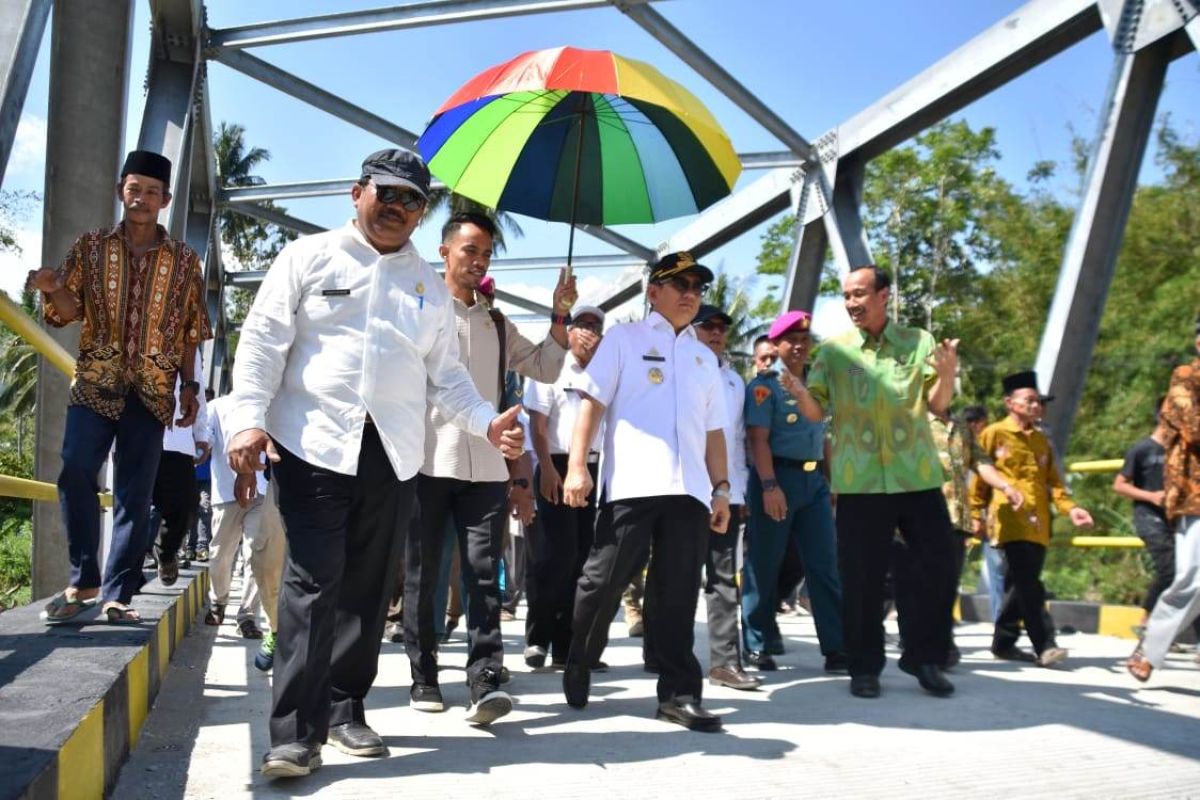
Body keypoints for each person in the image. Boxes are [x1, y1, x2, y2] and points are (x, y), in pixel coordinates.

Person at [225, 150, 525, 779]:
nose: (396, 207)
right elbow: (261, 341)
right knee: (312, 581)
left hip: (392, 453)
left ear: (421, 213)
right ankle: (293, 736)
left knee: (367, 587)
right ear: (356, 192)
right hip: (311, 446)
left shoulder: (427, 286)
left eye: (411, 200)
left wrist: (487, 422)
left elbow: (447, 379)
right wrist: (247, 419)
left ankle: (344, 708)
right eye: (385, 193)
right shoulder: (307, 258)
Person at [402, 212, 571, 725]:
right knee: (424, 574)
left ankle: (485, 676)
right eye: (469, 250)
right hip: (428, 462)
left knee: (482, 575)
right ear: (444, 250)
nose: (477, 261)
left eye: (486, 254)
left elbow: (544, 365)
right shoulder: (420, 309)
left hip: (487, 470)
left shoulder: (496, 321)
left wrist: (560, 318)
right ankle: (424, 672)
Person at [32, 150, 211, 626]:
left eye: (152, 192)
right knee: (75, 470)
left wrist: (189, 386)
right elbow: (67, 313)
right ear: (120, 191)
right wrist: (52, 288)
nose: (142, 199)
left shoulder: (185, 261)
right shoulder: (90, 247)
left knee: (135, 494)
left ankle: (117, 594)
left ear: (166, 200)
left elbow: (191, 332)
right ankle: (84, 578)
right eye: (135, 189)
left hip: (153, 389)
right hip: (96, 379)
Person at [561, 252, 731, 732]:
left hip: (691, 492)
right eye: (680, 285)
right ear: (653, 292)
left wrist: (721, 489)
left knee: (677, 594)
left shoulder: (703, 356)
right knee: (601, 582)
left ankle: (679, 694)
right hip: (633, 485)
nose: (690, 293)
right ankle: (579, 653)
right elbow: (591, 404)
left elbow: (715, 431)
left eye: (697, 286)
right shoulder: (624, 339)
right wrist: (578, 468)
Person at [781, 265, 959, 699]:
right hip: (859, 481)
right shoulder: (834, 353)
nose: (851, 303)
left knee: (935, 566)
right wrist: (800, 389)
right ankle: (864, 666)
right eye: (845, 296)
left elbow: (937, 406)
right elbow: (815, 413)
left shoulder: (918, 342)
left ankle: (926, 657)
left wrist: (949, 372)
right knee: (860, 575)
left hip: (916, 475)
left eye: (859, 293)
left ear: (883, 295)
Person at [742, 310, 845, 675]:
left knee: (824, 566)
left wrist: (832, 483)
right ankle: (755, 644)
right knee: (764, 564)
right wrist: (769, 486)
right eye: (792, 340)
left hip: (814, 483)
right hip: (777, 480)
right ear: (778, 344)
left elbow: (825, 437)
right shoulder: (765, 386)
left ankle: (836, 647)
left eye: (805, 340)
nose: (799, 346)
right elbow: (758, 439)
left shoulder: (818, 384)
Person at [972, 370, 1093, 667]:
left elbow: (1054, 483)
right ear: (1010, 403)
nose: (1037, 406)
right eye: (1030, 400)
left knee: (1020, 584)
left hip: (1039, 524)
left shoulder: (1041, 440)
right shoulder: (994, 434)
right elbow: (979, 477)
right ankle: (1046, 644)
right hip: (1009, 520)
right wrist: (975, 513)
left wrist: (1070, 508)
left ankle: (1003, 642)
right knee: (1030, 584)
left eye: (1040, 402)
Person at [523, 305, 606, 669]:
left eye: (595, 326)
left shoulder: (606, 372)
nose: (589, 332)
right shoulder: (550, 368)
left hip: (594, 468)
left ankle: (567, 644)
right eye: (582, 324)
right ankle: (538, 637)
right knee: (555, 556)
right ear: (568, 331)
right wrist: (546, 470)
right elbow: (538, 426)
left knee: (585, 559)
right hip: (555, 464)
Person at [684, 304, 761, 690]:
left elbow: (737, 443)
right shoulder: (677, 371)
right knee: (672, 578)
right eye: (707, 326)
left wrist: (738, 490)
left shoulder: (734, 382)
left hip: (724, 495)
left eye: (721, 328)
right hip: (679, 491)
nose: (716, 333)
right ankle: (665, 655)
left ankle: (724, 662)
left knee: (722, 578)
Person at [1128, 319, 1200, 682]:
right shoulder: (1186, 378)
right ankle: (1151, 646)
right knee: (1192, 579)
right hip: (1195, 497)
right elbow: (1193, 427)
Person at [202, 389, 286, 663]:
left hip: (261, 492)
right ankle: (219, 600)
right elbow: (204, 438)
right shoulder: (216, 407)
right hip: (226, 491)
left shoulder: (270, 404)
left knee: (255, 554)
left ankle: (247, 615)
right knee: (220, 555)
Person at [1113, 399, 1200, 641]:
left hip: (1179, 520)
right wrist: (1150, 496)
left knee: (1191, 575)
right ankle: (1147, 621)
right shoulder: (1142, 450)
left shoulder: (1184, 452)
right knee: (1170, 570)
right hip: (1149, 518)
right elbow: (1119, 485)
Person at [150, 371, 209, 587]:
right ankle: (124, 580)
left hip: (176, 437)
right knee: (135, 508)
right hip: (136, 433)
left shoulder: (189, 344)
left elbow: (198, 392)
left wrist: (201, 435)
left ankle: (166, 552)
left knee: (186, 504)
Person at [188, 388, 217, 562]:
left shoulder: (208, 423)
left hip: (206, 475)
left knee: (205, 509)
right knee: (189, 511)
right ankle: (188, 547)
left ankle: (202, 546)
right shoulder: (186, 420)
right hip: (188, 475)